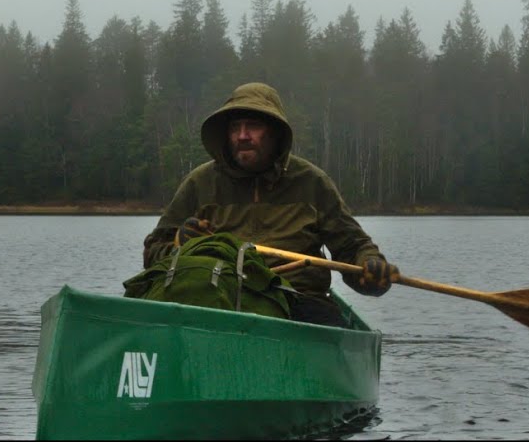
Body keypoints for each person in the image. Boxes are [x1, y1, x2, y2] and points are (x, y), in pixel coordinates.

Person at [140, 81, 399, 327]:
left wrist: (371, 268)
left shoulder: (312, 182)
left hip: (298, 304)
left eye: (253, 126)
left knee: (325, 319)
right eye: (235, 128)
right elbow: (153, 253)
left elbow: (353, 247)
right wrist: (179, 243)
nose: (242, 136)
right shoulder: (200, 183)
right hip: (219, 301)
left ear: (275, 133)